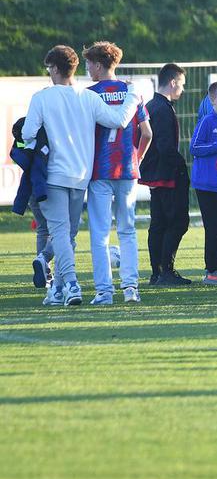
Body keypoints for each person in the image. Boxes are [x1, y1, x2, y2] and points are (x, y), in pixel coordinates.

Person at [24, 45, 141, 306]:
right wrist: (133, 96)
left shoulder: (43, 98)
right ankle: (62, 286)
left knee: (63, 232)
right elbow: (120, 121)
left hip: (57, 174)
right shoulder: (88, 97)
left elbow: (28, 133)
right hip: (83, 175)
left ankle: (72, 284)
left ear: (54, 69)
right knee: (75, 233)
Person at [83, 42, 151, 305]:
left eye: (89, 63)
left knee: (100, 234)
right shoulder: (130, 91)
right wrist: (137, 157)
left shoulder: (89, 94)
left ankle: (104, 291)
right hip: (127, 168)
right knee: (128, 230)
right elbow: (147, 133)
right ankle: (131, 288)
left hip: (100, 169)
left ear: (99, 65)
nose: (88, 68)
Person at [139, 63, 190, 285]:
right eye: (182, 84)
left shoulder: (152, 105)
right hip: (167, 174)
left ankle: (157, 272)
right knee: (177, 222)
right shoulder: (163, 109)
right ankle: (165, 271)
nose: (183, 89)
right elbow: (165, 146)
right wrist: (181, 167)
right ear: (173, 82)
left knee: (158, 223)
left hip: (155, 174)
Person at [190, 82, 217, 284]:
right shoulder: (208, 121)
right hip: (208, 183)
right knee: (214, 226)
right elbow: (195, 147)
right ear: (212, 100)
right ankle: (212, 269)